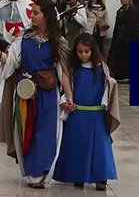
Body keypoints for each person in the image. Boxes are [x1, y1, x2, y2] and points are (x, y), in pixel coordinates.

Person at [0, 0, 71, 189]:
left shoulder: (59, 42)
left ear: (46, 17)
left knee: (47, 133)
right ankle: (33, 172)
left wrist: (69, 97)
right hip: (26, 94)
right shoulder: (22, 40)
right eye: (32, 12)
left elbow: (63, 73)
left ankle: (43, 171)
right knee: (28, 133)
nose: (31, 16)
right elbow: (11, 62)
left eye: (36, 12)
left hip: (49, 94)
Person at [52, 33, 120, 191]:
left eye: (86, 52)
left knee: (100, 147)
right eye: (79, 51)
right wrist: (65, 102)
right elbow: (66, 90)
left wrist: (105, 106)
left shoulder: (101, 69)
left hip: (96, 114)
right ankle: (78, 176)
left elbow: (107, 89)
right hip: (78, 113)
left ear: (93, 51)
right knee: (77, 145)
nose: (83, 55)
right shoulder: (73, 70)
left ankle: (100, 178)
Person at [107, 0, 139, 82]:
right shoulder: (120, 10)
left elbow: (132, 25)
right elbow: (117, 24)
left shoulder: (132, 10)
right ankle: (119, 74)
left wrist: (125, 34)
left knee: (127, 57)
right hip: (119, 37)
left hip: (128, 37)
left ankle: (128, 75)